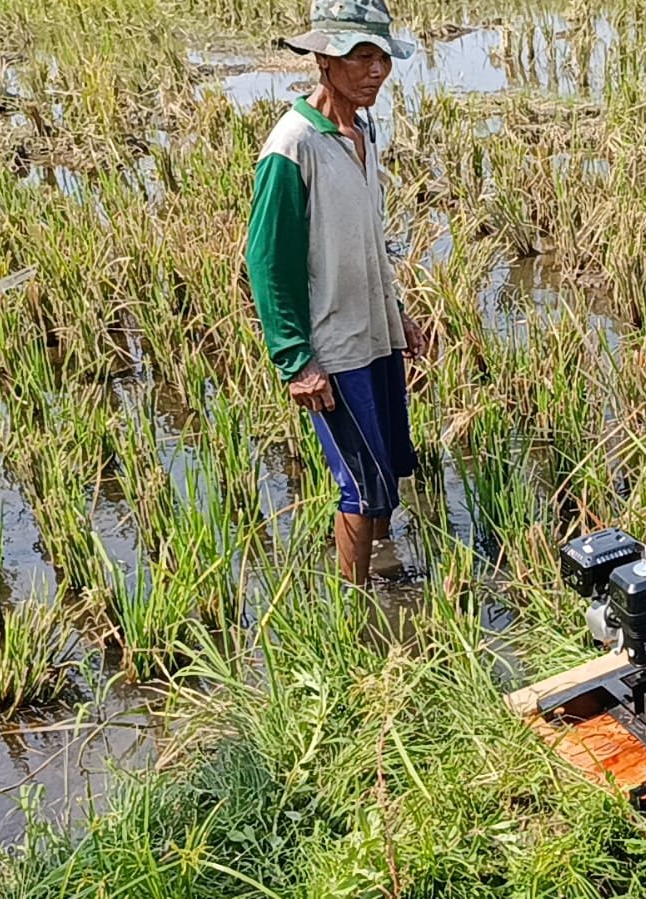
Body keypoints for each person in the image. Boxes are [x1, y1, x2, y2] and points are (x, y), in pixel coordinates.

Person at [244, 0, 427, 584]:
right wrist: (297, 360)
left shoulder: (363, 129)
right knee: (358, 483)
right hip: (334, 349)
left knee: (386, 471)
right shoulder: (292, 145)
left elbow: (366, 241)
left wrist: (397, 315)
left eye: (382, 57)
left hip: (374, 335)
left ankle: (380, 565)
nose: (375, 70)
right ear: (324, 58)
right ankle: (358, 610)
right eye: (360, 56)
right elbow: (267, 263)